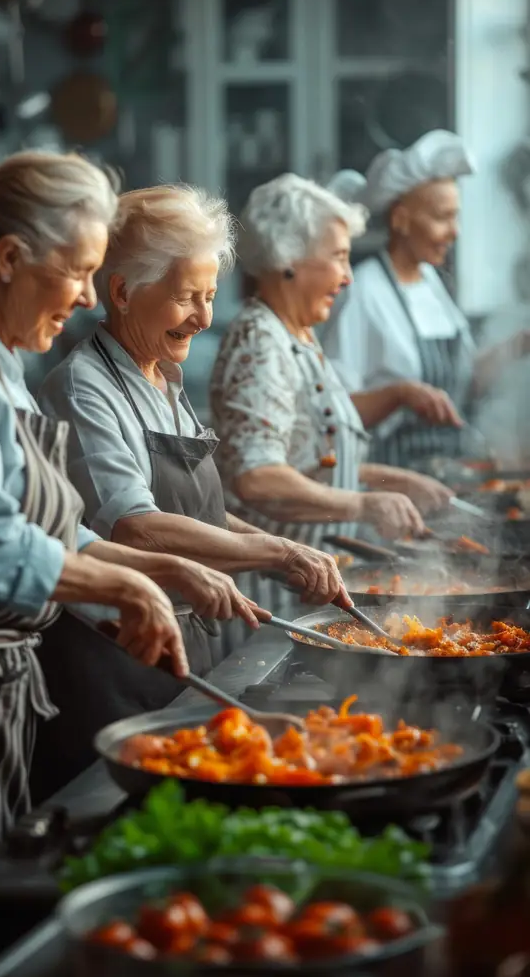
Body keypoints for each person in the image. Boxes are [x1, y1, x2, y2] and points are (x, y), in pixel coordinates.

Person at [0, 150, 263, 945]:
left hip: (3, 689)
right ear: (11, 259)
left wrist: (155, 571)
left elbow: (60, 528)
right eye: (79, 271)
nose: (86, 294)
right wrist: (128, 584)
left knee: (7, 902)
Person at [39, 185, 351, 660]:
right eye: (187, 298)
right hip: (124, 649)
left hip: (188, 637)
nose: (204, 318)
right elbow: (136, 527)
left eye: (209, 296)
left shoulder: (162, 377)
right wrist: (277, 553)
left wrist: (280, 552)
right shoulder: (83, 387)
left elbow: (193, 514)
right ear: (122, 291)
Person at [210, 173, 453, 620]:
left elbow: (309, 459)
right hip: (270, 601)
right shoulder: (260, 342)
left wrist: (391, 480)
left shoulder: (295, 334)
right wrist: (362, 503)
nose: (346, 278)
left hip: (310, 592)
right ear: (291, 258)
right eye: (339, 258)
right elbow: (257, 477)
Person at [322, 130, 530, 468]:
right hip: (391, 482)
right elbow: (332, 409)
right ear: (401, 219)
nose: (455, 231)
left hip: (447, 476)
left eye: (456, 216)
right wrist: (399, 395)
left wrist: (520, 343)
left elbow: (464, 381)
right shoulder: (363, 294)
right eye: (442, 217)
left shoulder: (432, 283)